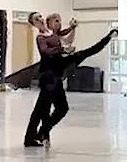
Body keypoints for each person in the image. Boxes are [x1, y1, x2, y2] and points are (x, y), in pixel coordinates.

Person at [24, 12, 117, 148]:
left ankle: (37, 135)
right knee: (45, 110)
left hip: (56, 72)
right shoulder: (40, 38)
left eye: (40, 16)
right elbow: (45, 52)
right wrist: (62, 49)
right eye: (36, 19)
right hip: (48, 76)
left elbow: (63, 33)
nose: (40, 19)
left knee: (50, 109)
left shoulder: (51, 32)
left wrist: (72, 28)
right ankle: (38, 135)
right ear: (34, 24)